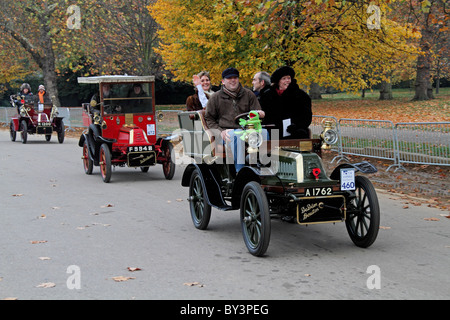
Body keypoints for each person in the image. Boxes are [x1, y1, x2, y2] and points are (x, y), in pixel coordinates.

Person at [205, 67, 266, 171]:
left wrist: (259, 114)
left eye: (235, 78)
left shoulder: (249, 94)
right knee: (237, 136)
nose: (233, 80)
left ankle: (264, 166)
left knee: (264, 132)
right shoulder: (215, 97)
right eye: (229, 78)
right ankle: (240, 171)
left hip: (248, 129)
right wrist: (220, 132)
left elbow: (256, 113)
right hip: (228, 132)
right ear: (223, 81)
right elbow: (209, 119)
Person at [259, 66, 312, 139]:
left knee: (297, 145)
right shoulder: (267, 95)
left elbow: (306, 116)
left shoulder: (301, 95)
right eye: (284, 78)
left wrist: (296, 126)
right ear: (278, 81)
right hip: (274, 131)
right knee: (273, 149)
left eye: (289, 78)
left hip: (294, 131)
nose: (287, 81)